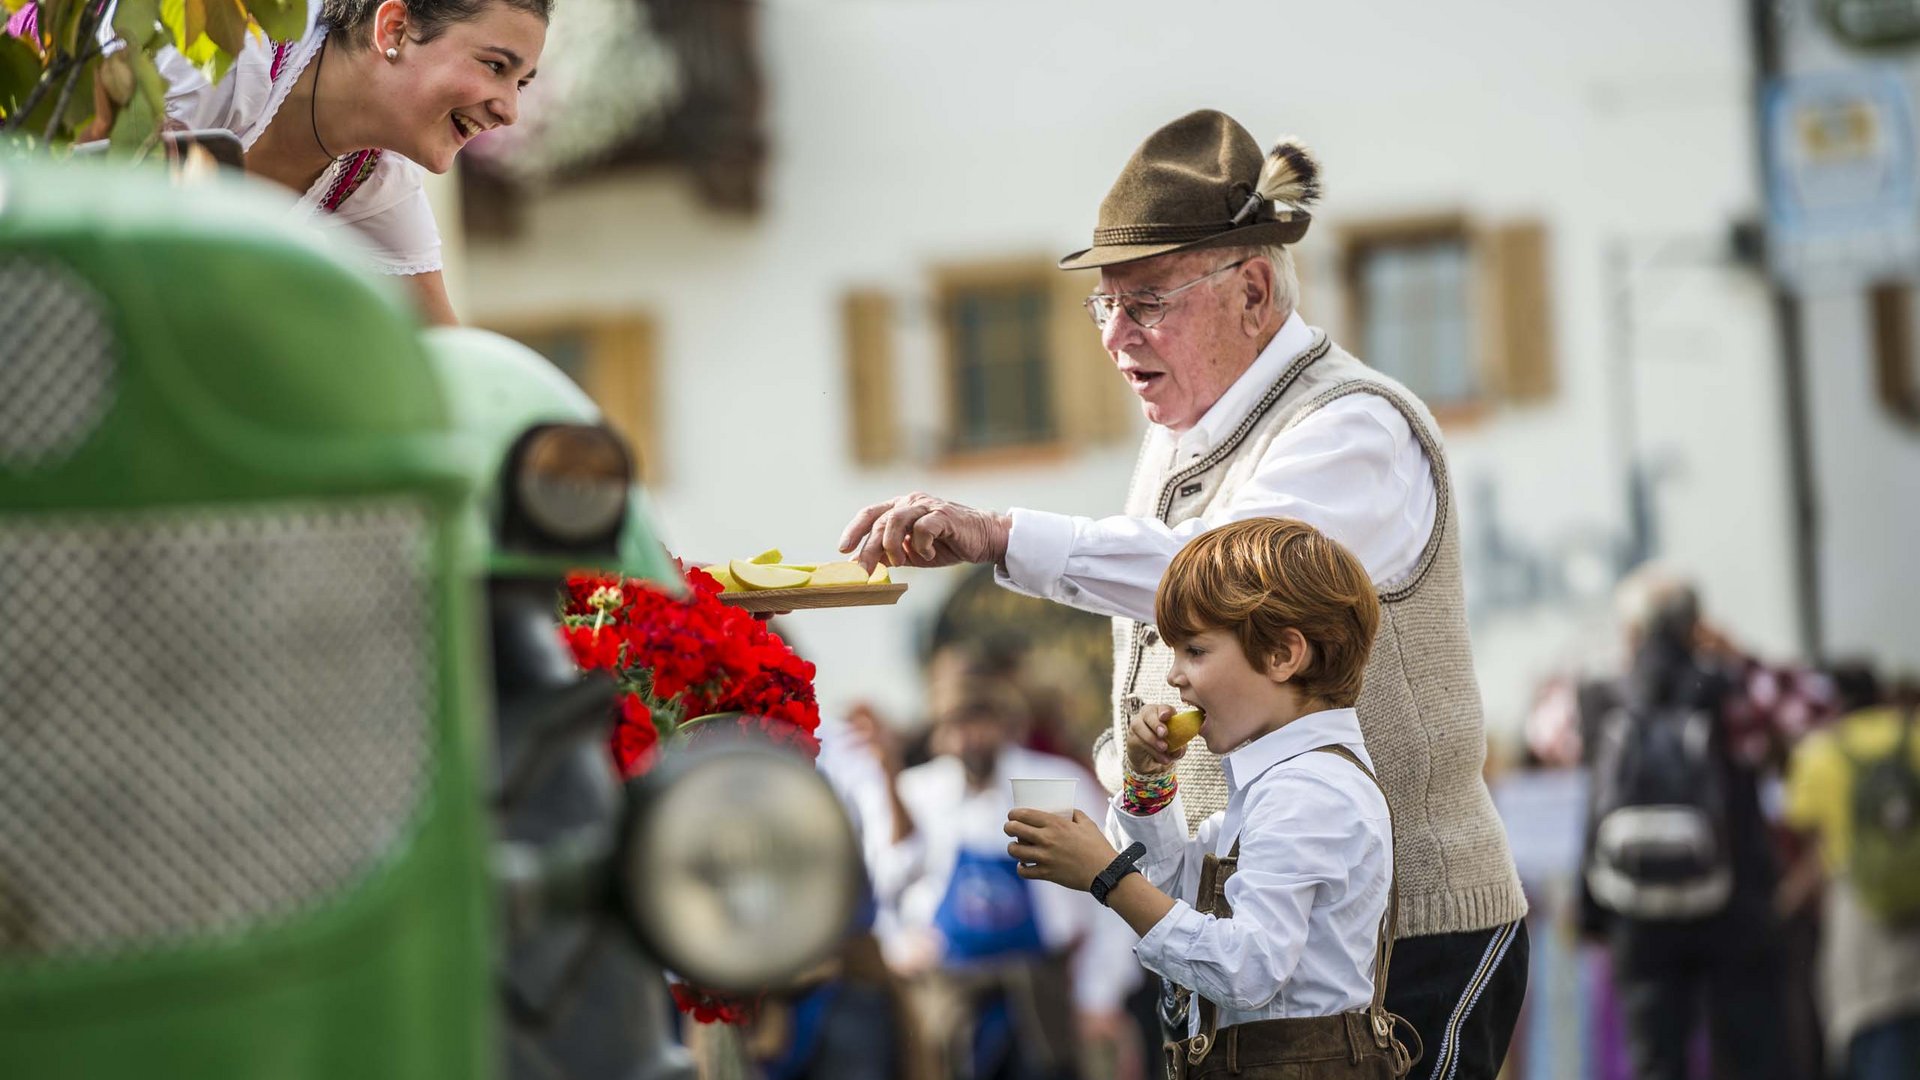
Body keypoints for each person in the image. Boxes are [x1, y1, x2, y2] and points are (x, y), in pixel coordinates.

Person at [838, 108, 1527, 1077]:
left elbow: (1216, 576)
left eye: (1148, 301)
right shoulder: (1183, 436)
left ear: (1252, 289)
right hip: (1256, 959)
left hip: (1400, 942)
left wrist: (998, 536)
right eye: (1103, 305)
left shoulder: (1354, 427)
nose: (1117, 337)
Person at [1006, 518, 1412, 1078]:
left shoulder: (1306, 790)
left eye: (1195, 650)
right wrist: (1147, 785)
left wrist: (1106, 876)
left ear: (1282, 655)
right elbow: (1180, 901)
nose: (1174, 677)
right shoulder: (1278, 780)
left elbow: (1247, 970)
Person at [94, 0, 547, 324]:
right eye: (494, 67)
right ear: (394, 28)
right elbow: (59, 178)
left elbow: (449, 360)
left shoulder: (371, 176)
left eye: (521, 84)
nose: (509, 110)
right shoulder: (222, 55)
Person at [1573, 568, 1790, 1080]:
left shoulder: (1601, 695)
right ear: (1696, 625)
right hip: (1731, 899)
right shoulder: (1728, 689)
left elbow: (1560, 749)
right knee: (1750, 1048)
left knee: (1655, 1056)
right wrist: (1733, 654)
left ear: (1631, 631)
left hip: (1632, 901)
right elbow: (1804, 711)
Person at [869, 681, 1141, 1080]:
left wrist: (1100, 993)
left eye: (981, 721)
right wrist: (895, 943)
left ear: (1005, 722)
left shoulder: (1050, 783)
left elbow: (1111, 890)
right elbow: (878, 886)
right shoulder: (919, 791)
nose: (971, 737)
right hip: (949, 999)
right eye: (957, 724)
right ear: (940, 730)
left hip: (1044, 993)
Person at [1785, 676, 1920, 1080]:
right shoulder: (1914, 737)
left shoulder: (1819, 753)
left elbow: (1807, 837)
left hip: (1859, 920)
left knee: (1876, 1040)